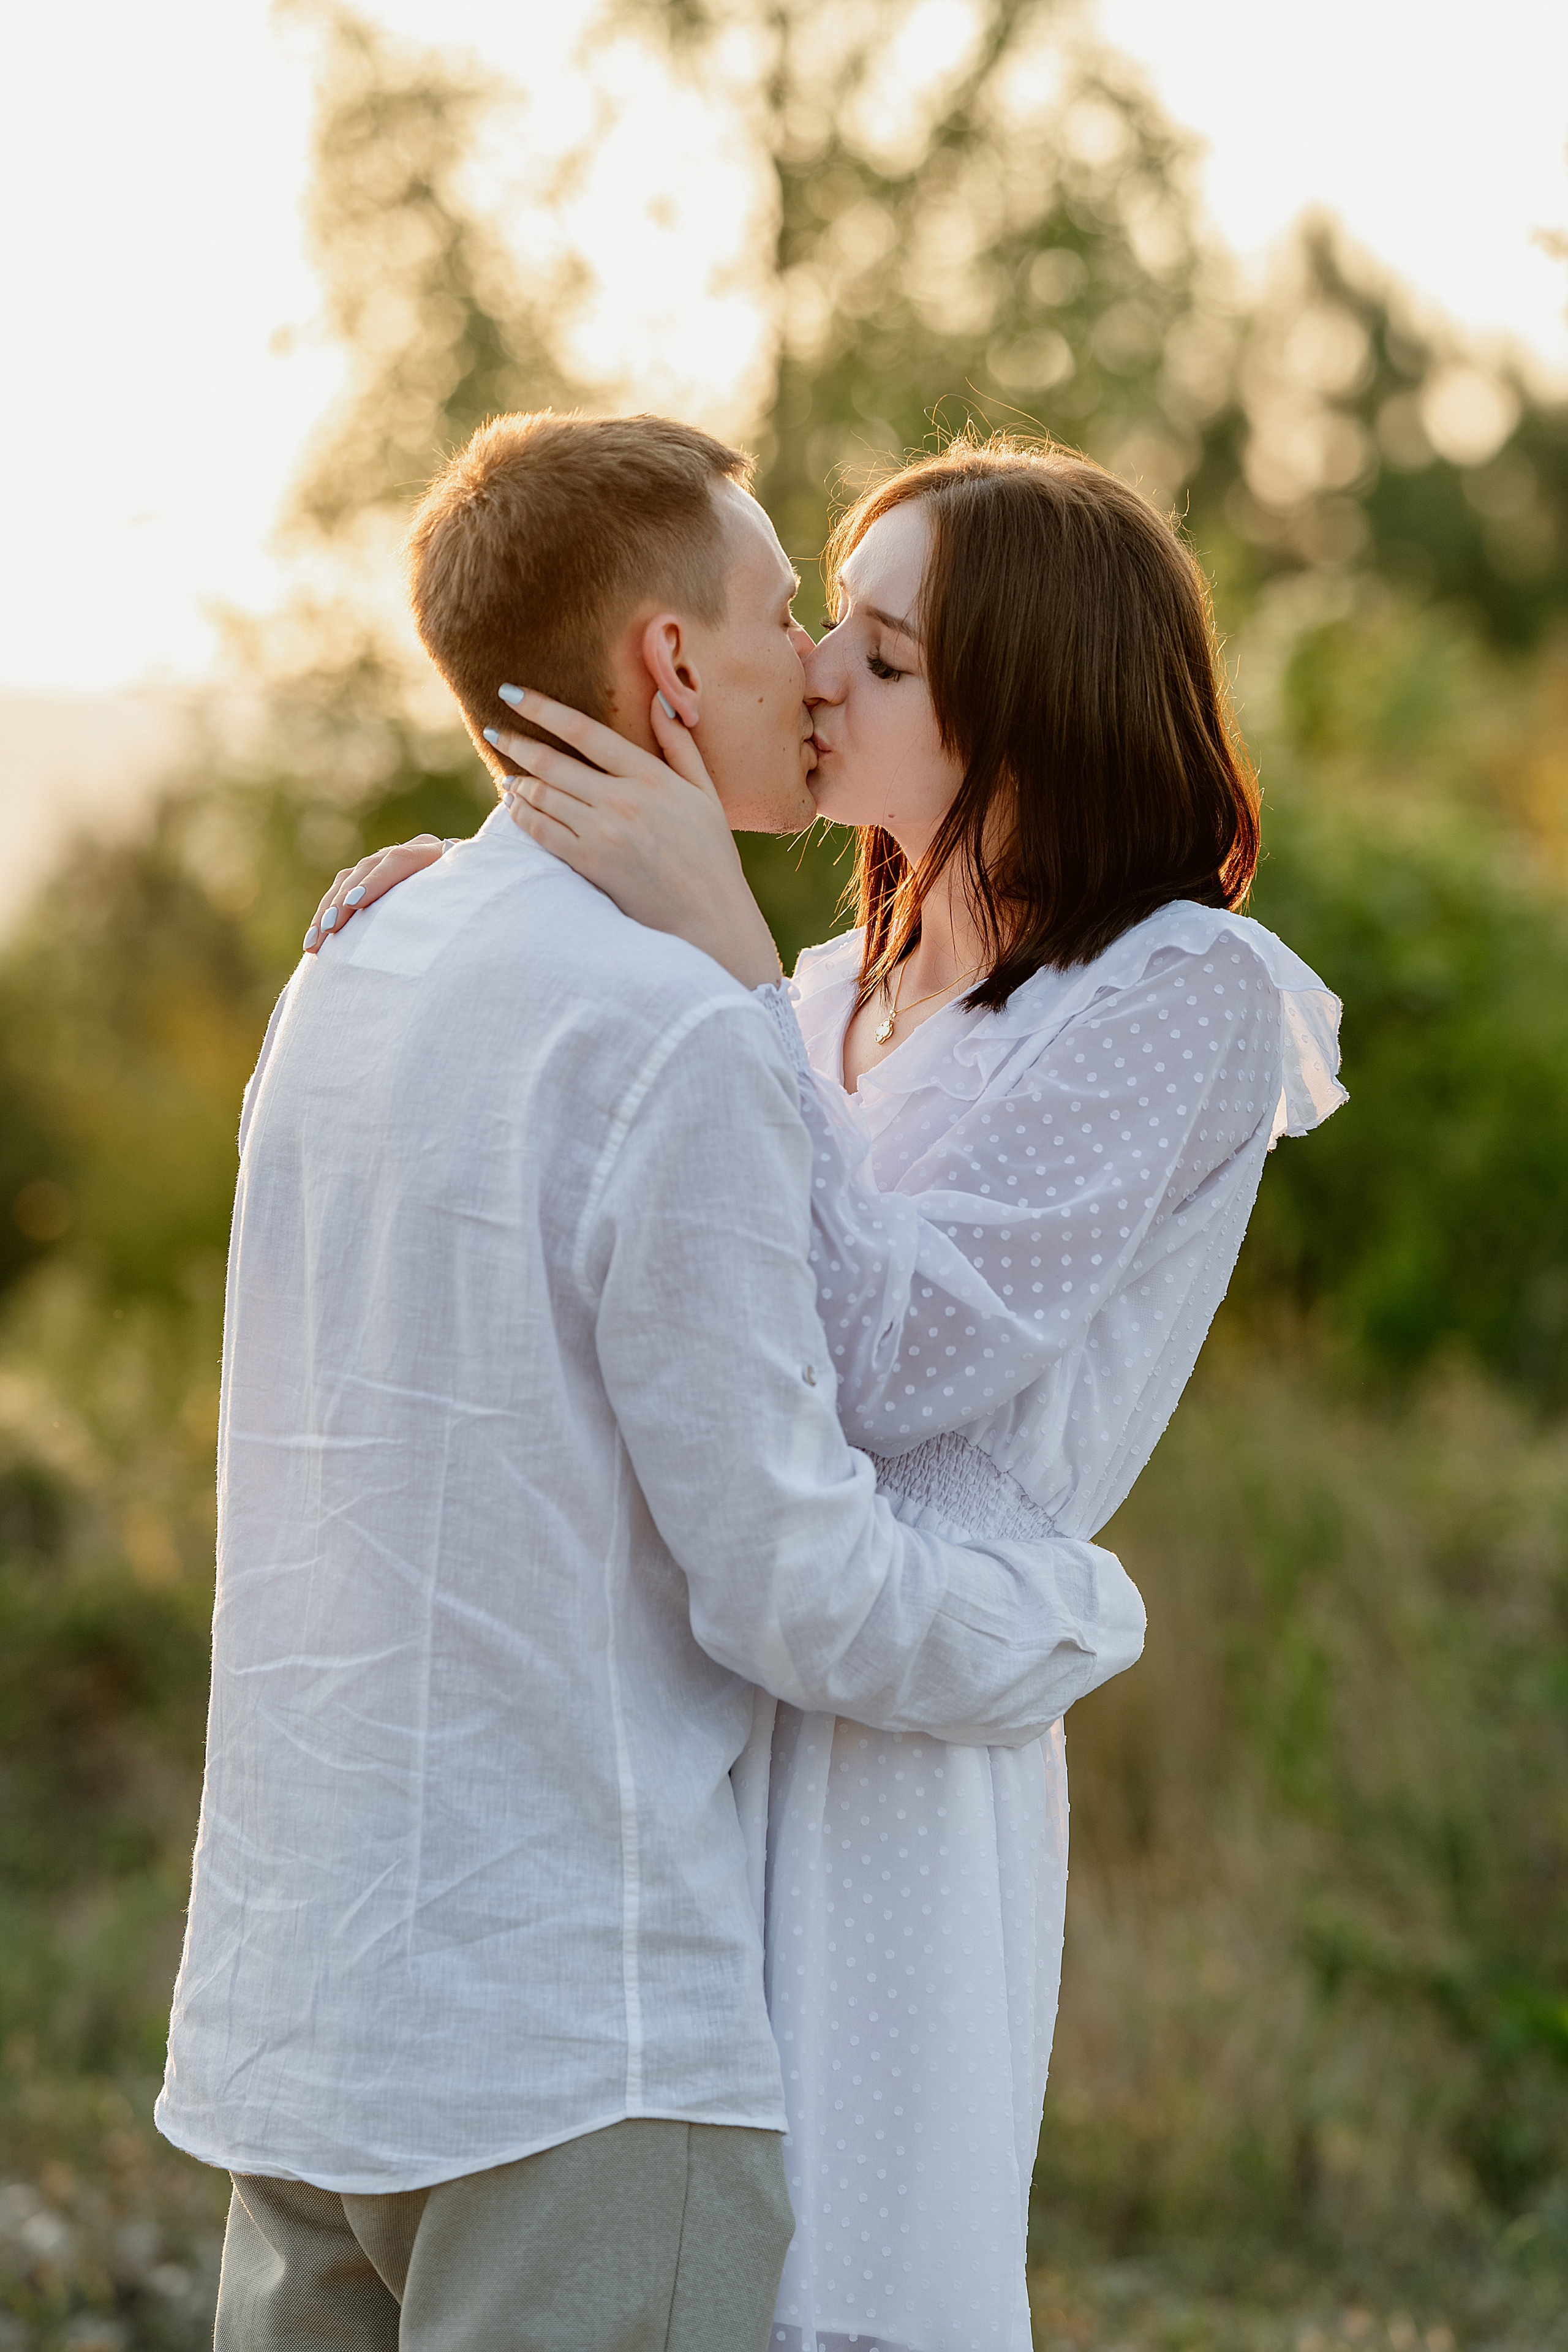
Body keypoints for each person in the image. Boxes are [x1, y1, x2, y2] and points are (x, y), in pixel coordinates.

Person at [318, 430, 1345, 2352]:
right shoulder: (812, 993)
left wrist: (701, 956)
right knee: (672, 2256)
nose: (814, 676)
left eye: (878, 655)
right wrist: (490, 897)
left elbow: (892, 1371)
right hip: (715, 1679)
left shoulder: (1185, 993)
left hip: (902, 1710)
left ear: (1025, 703)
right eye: (824, 631)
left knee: (845, 2269)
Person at [156, 413, 1147, 2352]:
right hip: (573, 2056)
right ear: (671, 666)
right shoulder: (684, 1032)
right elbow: (787, 1582)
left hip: (299, 2023)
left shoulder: (348, 969)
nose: (816, 670)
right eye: (787, 616)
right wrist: (1067, 1612)